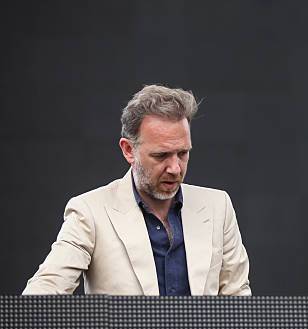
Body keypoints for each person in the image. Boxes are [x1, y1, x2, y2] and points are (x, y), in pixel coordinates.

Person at [23, 85, 251, 295]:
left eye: (183, 153)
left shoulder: (218, 206)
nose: (175, 168)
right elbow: (45, 291)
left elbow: (238, 301)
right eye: (161, 155)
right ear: (128, 150)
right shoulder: (89, 212)